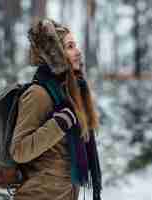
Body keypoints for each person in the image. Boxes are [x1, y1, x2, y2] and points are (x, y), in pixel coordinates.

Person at [10, 19, 102, 200]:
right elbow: (19, 151)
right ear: (56, 55)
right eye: (70, 46)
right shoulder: (38, 94)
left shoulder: (69, 95)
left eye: (75, 45)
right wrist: (58, 125)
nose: (78, 51)